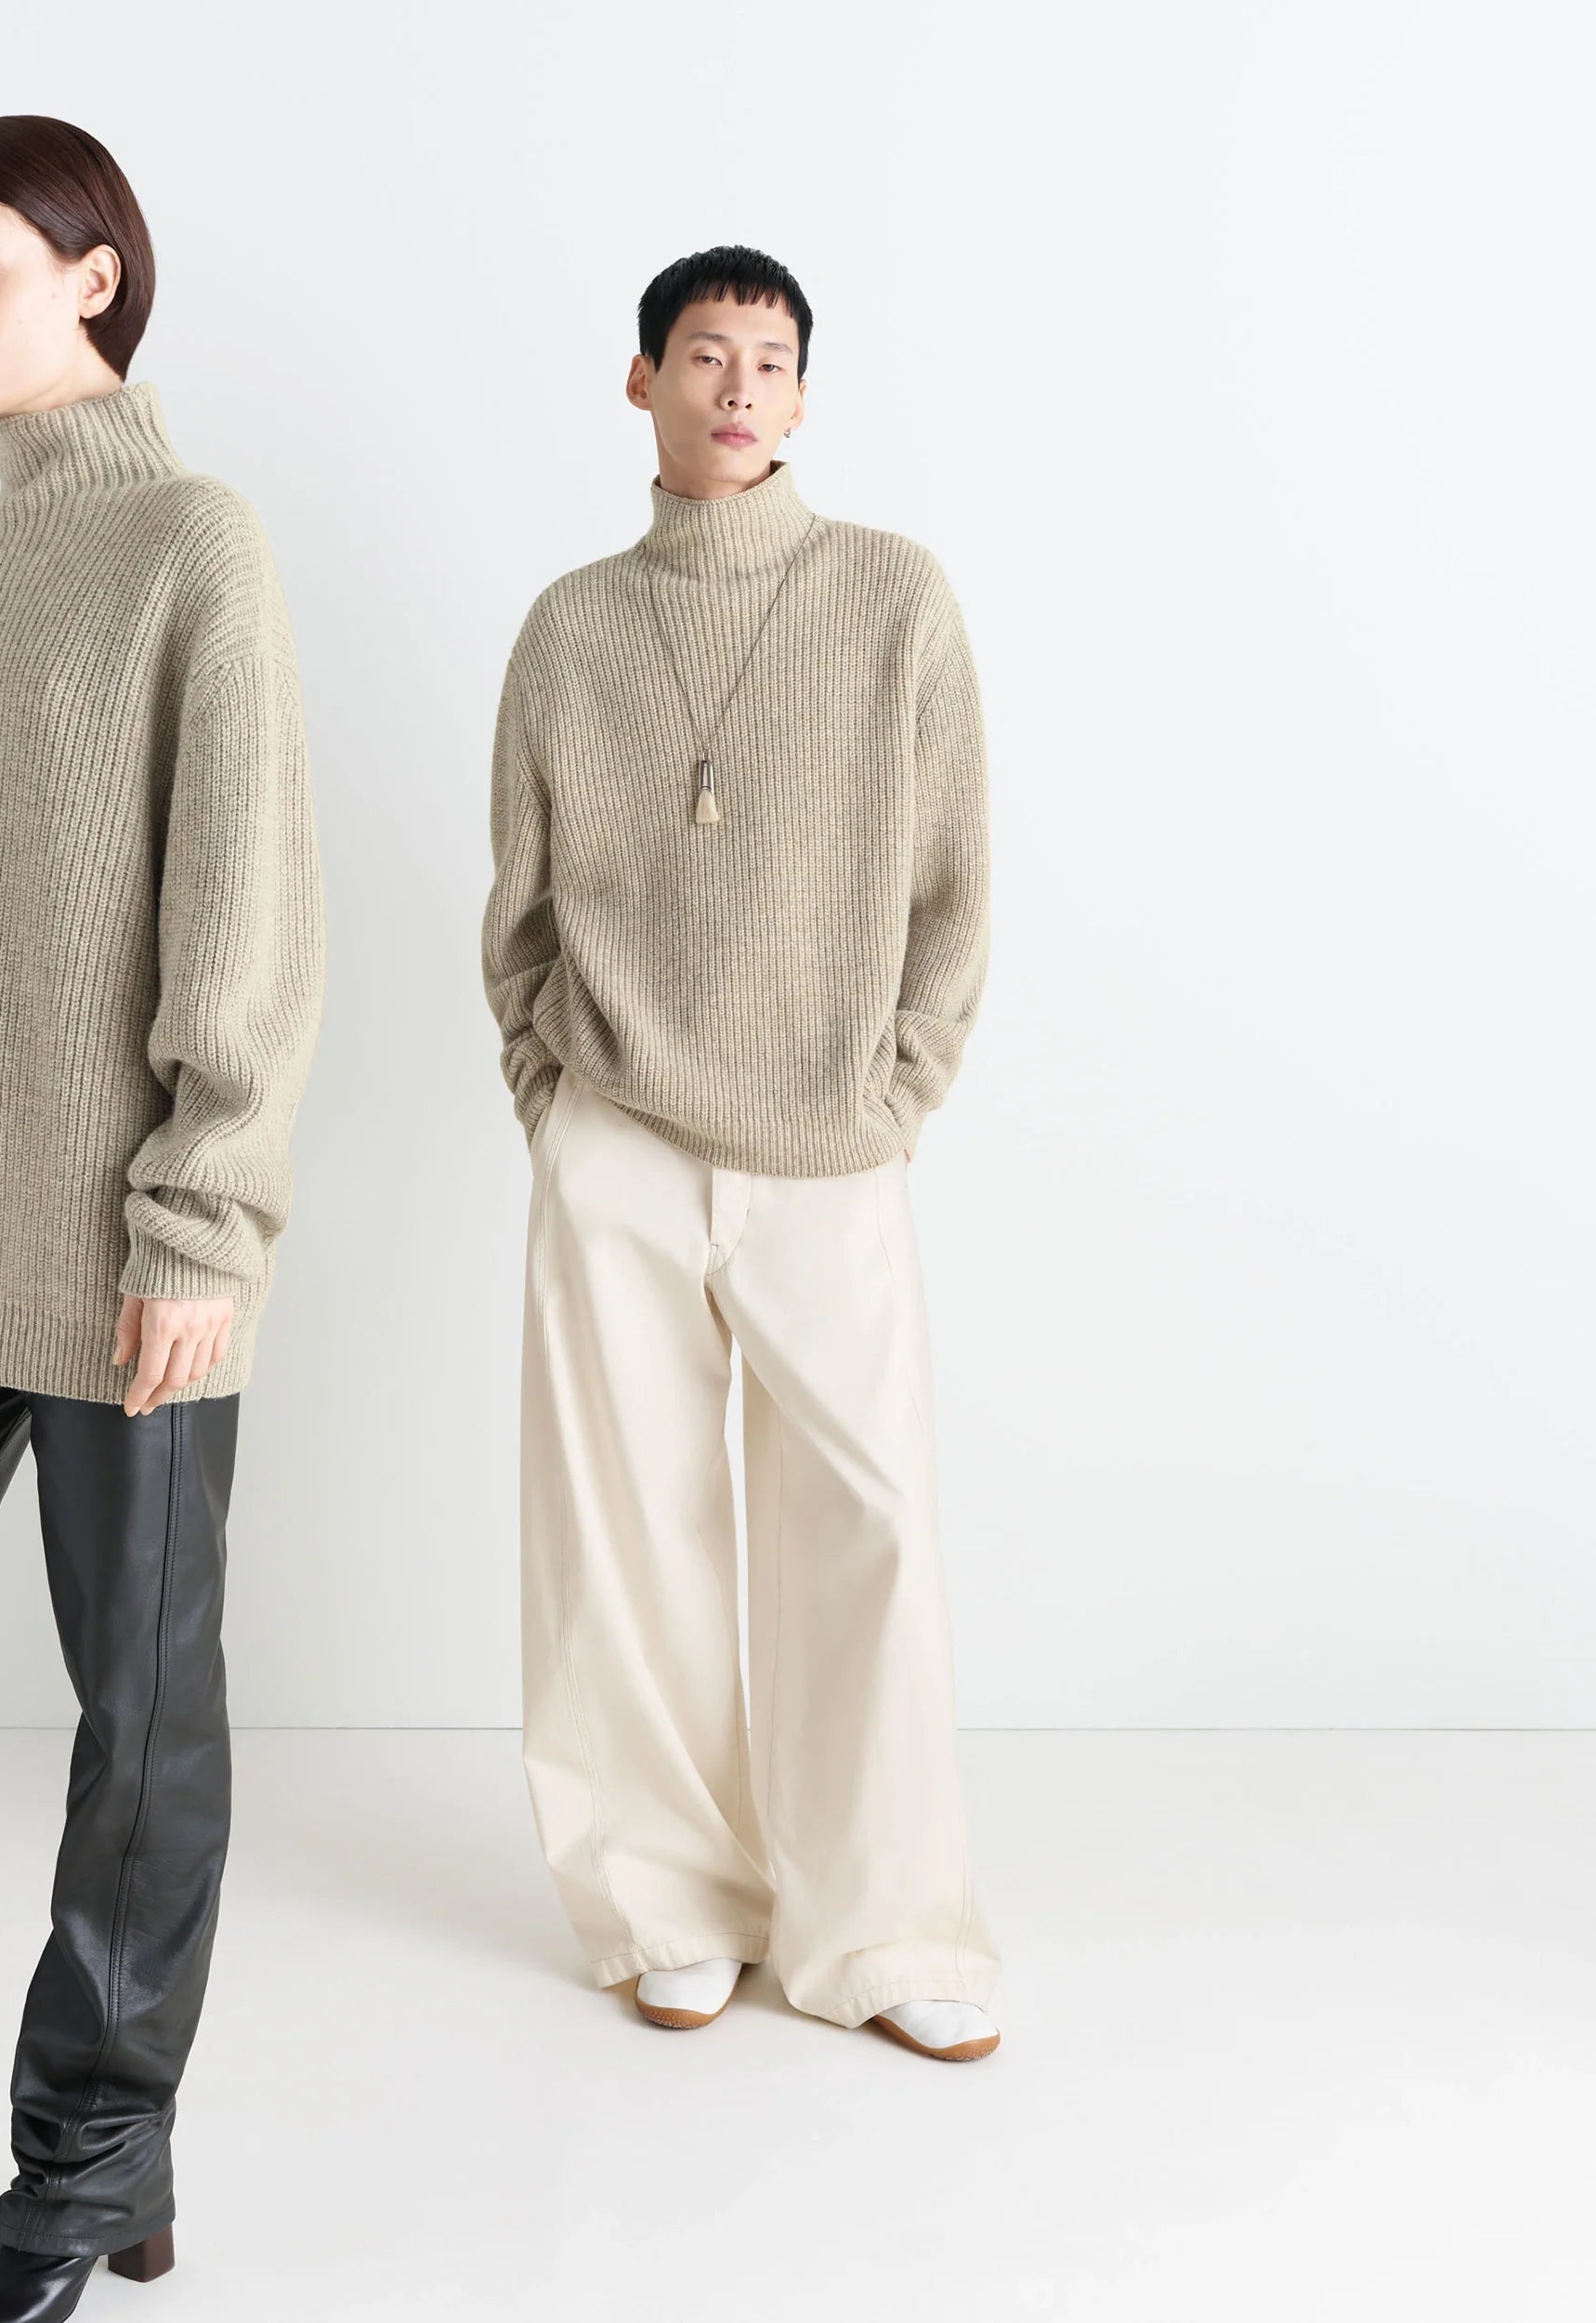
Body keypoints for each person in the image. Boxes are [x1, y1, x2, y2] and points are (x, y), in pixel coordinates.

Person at [481, 244, 1000, 2062]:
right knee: (624, 1539)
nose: (738, 388)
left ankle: (887, 1926)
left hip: (831, 1145)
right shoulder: (569, 626)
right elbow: (519, 909)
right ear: (643, 382)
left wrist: (899, 1089)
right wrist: (557, 1102)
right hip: (617, 1135)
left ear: (801, 395)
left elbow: (952, 882)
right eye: (705, 356)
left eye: (769, 361)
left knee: (866, 1530)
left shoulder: (889, 595)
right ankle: (672, 1902)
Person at [0, 116, 324, 2320]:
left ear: (91, 274)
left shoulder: (192, 541)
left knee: (139, 1722)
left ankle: (87, 2161)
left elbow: (242, 906)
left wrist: (201, 1216)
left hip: (122, 1258)